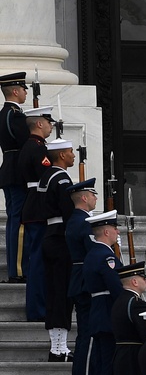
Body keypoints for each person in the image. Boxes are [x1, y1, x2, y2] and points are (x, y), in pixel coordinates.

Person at [82, 209, 123, 375]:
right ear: (106, 231)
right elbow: (117, 288)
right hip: (108, 319)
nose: (118, 232)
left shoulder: (93, 254)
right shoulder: (105, 257)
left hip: (99, 317)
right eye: (115, 228)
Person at [36, 138, 76, 360]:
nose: (73, 155)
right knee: (62, 295)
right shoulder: (61, 178)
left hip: (49, 236)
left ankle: (57, 346)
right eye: (70, 151)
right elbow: (69, 211)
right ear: (61, 155)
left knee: (54, 293)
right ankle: (59, 349)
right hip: (61, 240)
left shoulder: (46, 176)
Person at [18, 107, 55, 321]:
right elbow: (46, 176)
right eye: (48, 122)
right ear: (39, 124)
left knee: (37, 261)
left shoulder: (31, 146)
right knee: (39, 262)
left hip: (33, 205)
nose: (51, 126)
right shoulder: (38, 149)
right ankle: (38, 309)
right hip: (38, 206)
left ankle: (38, 308)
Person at [66, 178, 99, 375]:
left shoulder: (76, 220)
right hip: (86, 283)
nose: (96, 198)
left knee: (86, 336)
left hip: (80, 280)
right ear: (85, 197)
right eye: (94, 194)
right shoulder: (84, 222)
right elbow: (94, 251)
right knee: (88, 337)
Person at [0, 72, 29, 282]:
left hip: (8, 170)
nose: (27, 92)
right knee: (19, 222)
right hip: (19, 172)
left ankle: (14, 269)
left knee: (13, 220)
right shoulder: (16, 115)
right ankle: (18, 271)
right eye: (24, 88)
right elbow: (26, 143)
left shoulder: (3, 113)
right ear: (16, 91)